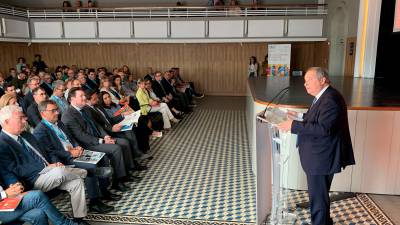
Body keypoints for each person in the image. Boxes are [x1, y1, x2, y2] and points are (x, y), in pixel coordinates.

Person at [276, 67, 355, 225]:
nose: (306, 85)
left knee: (318, 199)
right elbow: (319, 119)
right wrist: (298, 116)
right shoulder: (324, 96)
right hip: (319, 156)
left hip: (322, 158)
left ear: (322, 79)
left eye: (309, 80)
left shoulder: (330, 99)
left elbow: (323, 129)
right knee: (320, 195)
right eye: (305, 82)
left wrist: (293, 126)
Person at [0, 105, 89, 224]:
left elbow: (45, 152)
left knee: (76, 182)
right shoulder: (2, 143)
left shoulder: (26, 135)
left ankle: (79, 219)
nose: (25, 120)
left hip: (49, 172)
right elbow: (16, 169)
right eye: (20, 118)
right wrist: (46, 168)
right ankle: (88, 172)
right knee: (60, 171)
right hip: (33, 179)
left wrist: (53, 163)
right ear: (6, 121)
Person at [0, 181, 78, 225]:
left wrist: (15, 186)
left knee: (38, 214)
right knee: (37, 196)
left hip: (5, 200)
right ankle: (65, 223)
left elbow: (7, 174)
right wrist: (4, 194)